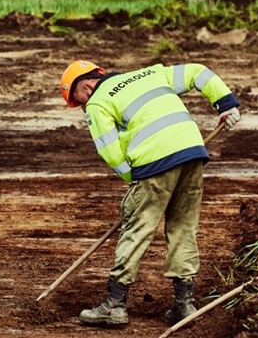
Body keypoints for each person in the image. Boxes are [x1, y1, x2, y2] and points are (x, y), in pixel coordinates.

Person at [58, 59, 241, 327]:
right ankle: (184, 305)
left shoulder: (98, 104)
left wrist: (133, 178)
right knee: (183, 227)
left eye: (79, 101)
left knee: (136, 228)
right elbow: (197, 72)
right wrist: (226, 104)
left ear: (86, 86)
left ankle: (115, 305)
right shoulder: (150, 74)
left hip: (156, 162)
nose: (84, 106)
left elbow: (109, 151)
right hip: (192, 152)